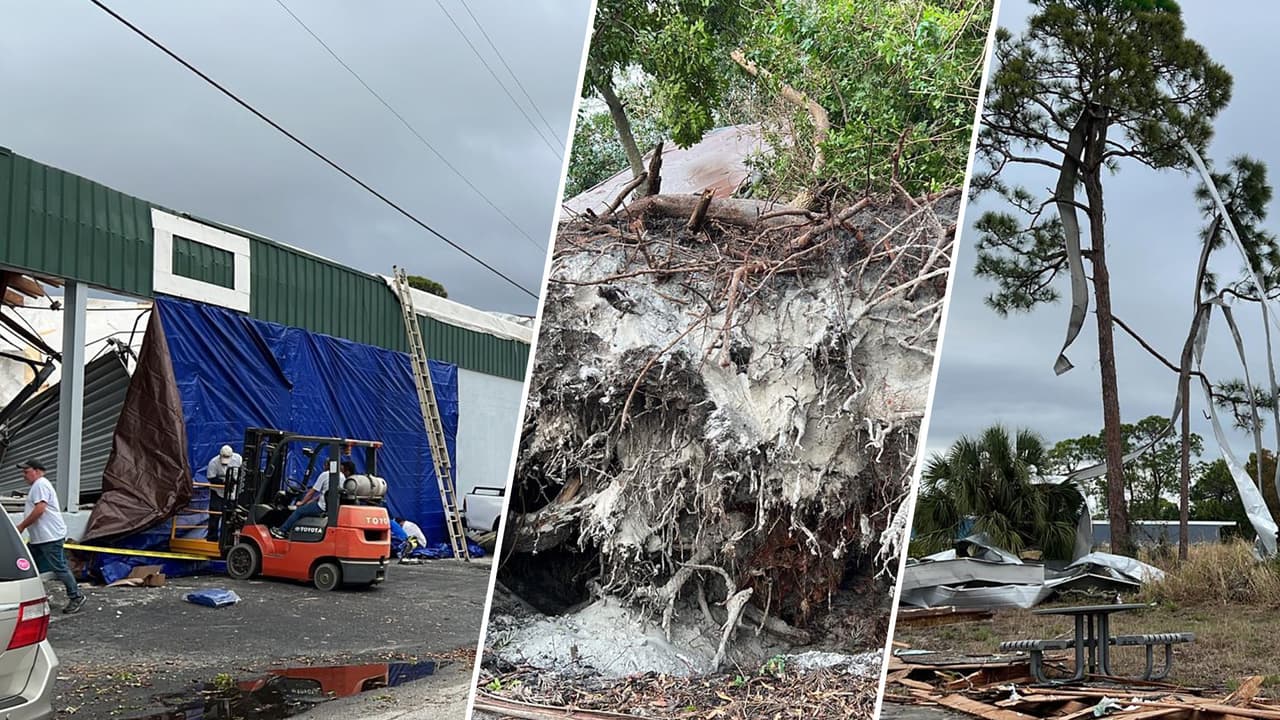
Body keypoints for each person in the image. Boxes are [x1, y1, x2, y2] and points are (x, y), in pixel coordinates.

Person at [15, 460, 85, 614]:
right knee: (27, 565)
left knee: (58, 567)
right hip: (41, 538)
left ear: (38, 471)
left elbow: (40, 509)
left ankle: (76, 596)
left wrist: (22, 526)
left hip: (49, 537)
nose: (23, 475)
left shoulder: (40, 484)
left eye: (26, 471)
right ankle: (31, 597)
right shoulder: (38, 486)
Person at [271, 460, 354, 539]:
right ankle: (292, 530)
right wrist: (311, 501)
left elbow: (312, 492)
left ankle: (282, 531)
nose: (323, 467)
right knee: (306, 509)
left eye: (324, 465)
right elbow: (325, 493)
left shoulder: (325, 475)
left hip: (321, 507)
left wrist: (302, 502)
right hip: (331, 507)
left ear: (327, 466)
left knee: (299, 511)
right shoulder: (342, 476)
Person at [204, 445, 242, 542]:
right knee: (214, 515)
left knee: (230, 517)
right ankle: (212, 538)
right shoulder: (213, 462)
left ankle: (227, 539)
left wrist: (234, 481)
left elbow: (242, 472)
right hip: (217, 492)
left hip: (232, 493)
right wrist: (223, 482)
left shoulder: (238, 459)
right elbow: (211, 478)